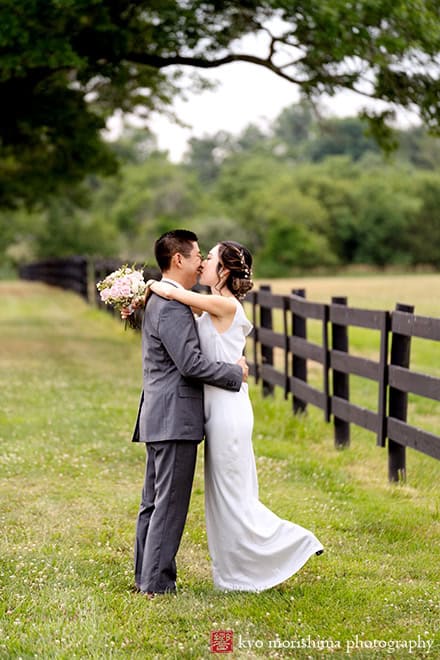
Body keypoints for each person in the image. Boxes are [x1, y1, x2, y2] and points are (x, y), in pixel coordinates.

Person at [147, 240, 324, 592]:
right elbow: (178, 323)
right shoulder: (211, 307)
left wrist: (153, 285)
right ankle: (232, 575)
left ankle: (293, 542)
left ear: (224, 270)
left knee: (233, 495)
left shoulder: (224, 305)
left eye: (209, 258)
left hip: (228, 411)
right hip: (215, 410)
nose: (202, 264)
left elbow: (182, 298)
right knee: (221, 498)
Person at [131, 230, 248, 598]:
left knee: (153, 502)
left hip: (160, 413)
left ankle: (145, 578)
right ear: (178, 259)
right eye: (197, 254)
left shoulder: (167, 298)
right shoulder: (173, 305)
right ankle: (156, 583)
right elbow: (191, 364)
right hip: (174, 416)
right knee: (168, 503)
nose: (200, 260)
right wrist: (236, 373)